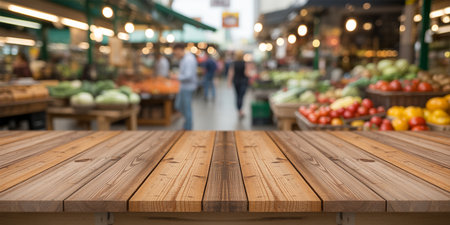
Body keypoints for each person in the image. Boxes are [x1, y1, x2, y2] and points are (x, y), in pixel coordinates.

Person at [171, 43, 198, 130]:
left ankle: (188, 128)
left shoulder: (188, 59)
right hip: (184, 87)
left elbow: (188, 75)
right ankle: (187, 125)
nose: (176, 55)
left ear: (179, 50)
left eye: (176, 53)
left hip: (188, 87)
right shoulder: (185, 59)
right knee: (179, 106)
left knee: (186, 109)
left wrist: (176, 77)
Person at [227, 51, 249, 118]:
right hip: (243, 82)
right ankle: (240, 110)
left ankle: (239, 110)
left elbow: (231, 73)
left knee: (237, 96)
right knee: (241, 96)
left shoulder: (233, 63)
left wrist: (229, 82)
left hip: (236, 81)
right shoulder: (244, 63)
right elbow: (246, 73)